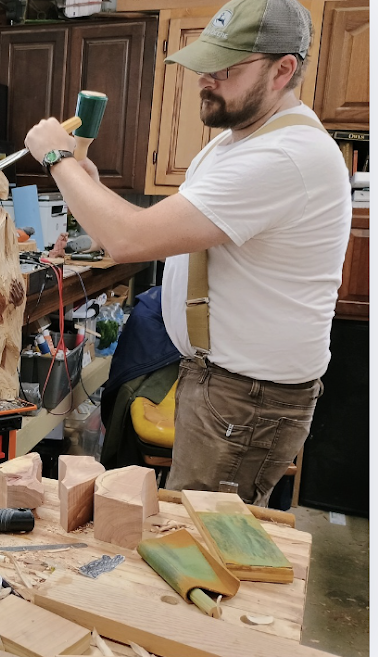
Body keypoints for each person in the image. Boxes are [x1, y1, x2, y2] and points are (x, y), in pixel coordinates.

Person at [22, 0, 350, 506]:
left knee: (202, 543)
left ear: (283, 69)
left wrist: (56, 157)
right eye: (204, 64)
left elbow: (130, 238)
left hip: (247, 398)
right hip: (218, 381)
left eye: (223, 68)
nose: (204, 79)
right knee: (190, 529)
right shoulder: (238, 141)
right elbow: (165, 224)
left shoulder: (285, 156)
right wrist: (84, 181)